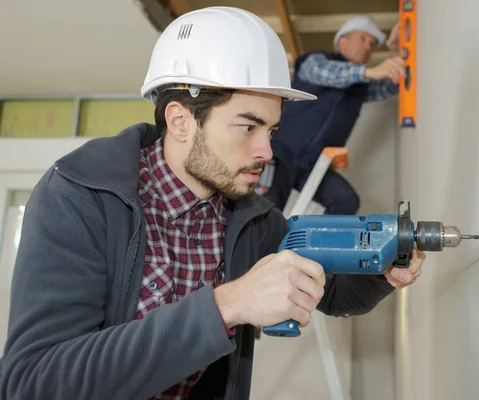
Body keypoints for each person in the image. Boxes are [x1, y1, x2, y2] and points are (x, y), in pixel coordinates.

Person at [0, 7, 425, 400]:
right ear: (181, 121)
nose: (266, 151)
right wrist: (229, 304)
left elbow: (330, 292)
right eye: (247, 127)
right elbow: (33, 381)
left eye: (272, 131)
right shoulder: (80, 198)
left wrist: (382, 268)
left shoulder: (254, 219)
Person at [257, 15, 406, 215]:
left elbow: (394, 83)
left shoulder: (360, 87)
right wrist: (368, 73)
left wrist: (396, 49)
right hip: (283, 155)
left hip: (315, 164)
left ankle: (309, 246)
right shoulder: (315, 60)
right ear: (342, 40)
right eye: (363, 39)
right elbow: (326, 72)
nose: (368, 47)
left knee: (346, 201)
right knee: (266, 215)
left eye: (372, 44)